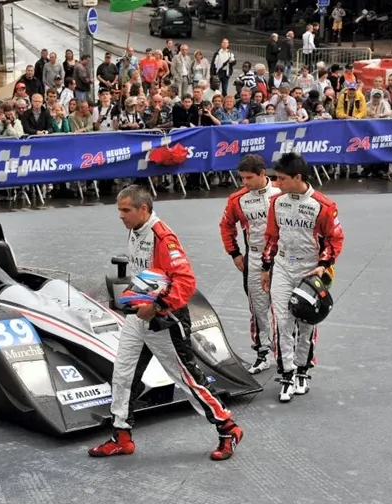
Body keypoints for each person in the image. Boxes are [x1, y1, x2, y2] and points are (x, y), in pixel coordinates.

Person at [89, 185, 243, 461]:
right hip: (139, 317)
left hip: (165, 319)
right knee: (123, 374)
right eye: (119, 210)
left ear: (143, 209)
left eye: (125, 210)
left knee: (186, 378)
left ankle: (228, 428)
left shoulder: (163, 237)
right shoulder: (136, 230)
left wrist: (157, 306)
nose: (120, 216)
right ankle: (121, 436)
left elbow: (185, 281)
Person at [261, 153, 344, 403]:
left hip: (310, 269)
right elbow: (272, 237)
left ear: (298, 177)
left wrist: (323, 265)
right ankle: (286, 374)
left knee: (307, 323)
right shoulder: (276, 202)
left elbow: (334, 239)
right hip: (282, 267)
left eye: (281, 179)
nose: (277, 183)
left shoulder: (323, 205)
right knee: (282, 322)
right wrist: (266, 267)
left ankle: (302, 371)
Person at [219, 155, 281, 374]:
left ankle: (286, 354)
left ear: (262, 173)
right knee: (258, 309)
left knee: (286, 309)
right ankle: (263, 353)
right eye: (242, 178)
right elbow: (226, 226)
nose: (244, 182)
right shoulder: (237, 199)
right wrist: (235, 253)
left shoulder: (281, 192)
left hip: (283, 259)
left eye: (249, 178)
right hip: (254, 259)